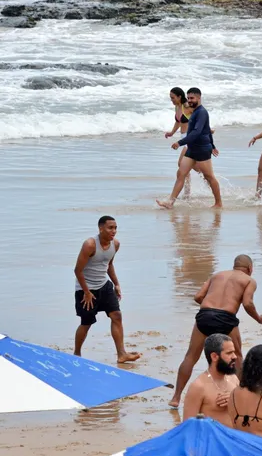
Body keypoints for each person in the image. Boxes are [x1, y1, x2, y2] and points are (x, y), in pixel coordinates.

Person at [168, 254, 262, 408]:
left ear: (234, 265)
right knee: (237, 357)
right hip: (226, 318)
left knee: (190, 356)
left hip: (204, 315)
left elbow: (198, 297)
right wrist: (258, 318)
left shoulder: (216, 275)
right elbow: (247, 303)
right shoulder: (249, 280)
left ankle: (176, 398)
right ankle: (243, 395)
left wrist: (211, 307)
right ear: (250, 268)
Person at [73, 216, 141, 363]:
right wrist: (86, 292)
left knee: (116, 315)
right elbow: (77, 270)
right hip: (86, 289)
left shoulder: (115, 244)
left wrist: (116, 283)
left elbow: (109, 265)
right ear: (101, 228)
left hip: (104, 285)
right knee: (86, 322)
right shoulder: (90, 245)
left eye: (115, 228)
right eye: (110, 228)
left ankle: (121, 354)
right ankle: (76, 354)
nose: (114, 231)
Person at [157, 87, 222, 209]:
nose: (190, 100)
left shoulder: (201, 112)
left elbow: (197, 132)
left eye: (192, 98)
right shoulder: (193, 110)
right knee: (181, 173)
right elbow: (204, 129)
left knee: (209, 176)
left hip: (202, 149)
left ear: (199, 98)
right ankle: (170, 202)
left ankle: (218, 203)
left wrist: (180, 142)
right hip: (191, 149)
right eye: (189, 98)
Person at [182, 334, 239, 427]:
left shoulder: (234, 378)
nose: (235, 357)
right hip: (212, 440)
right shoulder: (198, 387)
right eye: (229, 353)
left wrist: (235, 400)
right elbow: (187, 427)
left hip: (235, 439)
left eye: (234, 352)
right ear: (214, 357)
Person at [165, 86, 198, 200]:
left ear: (179, 97)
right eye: (170, 98)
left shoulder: (187, 106)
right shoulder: (177, 107)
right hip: (184, 138)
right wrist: (172, 132)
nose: (171, 100)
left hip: (190, 139)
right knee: (191, 166)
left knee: (181, 164)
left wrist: (207, 129)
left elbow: (200, 117)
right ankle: (189, 190)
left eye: (173, 98)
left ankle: (187, 193)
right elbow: (178, 121)